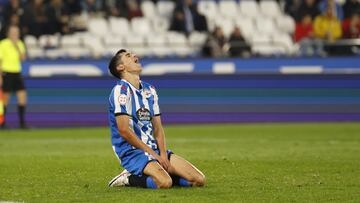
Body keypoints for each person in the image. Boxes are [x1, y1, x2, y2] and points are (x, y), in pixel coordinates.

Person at [107, 49, 205, 189]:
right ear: (120, 67)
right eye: (128, 56)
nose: (135, 56)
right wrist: (153, 155)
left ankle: (161, 171)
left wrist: (163, 155)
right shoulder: (120, 91)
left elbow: (158, 128)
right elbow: (124, 130)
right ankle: (128, 178)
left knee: (198, 180)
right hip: (131, 151)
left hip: (153, 149)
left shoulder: (150, 90)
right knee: (164, 183)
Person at [0, 24, 27, 129]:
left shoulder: (20, 44)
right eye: (13, 32)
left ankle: (22, 123)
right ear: (8, 33)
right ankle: (2, 123)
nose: (15, 34)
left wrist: (17, 47)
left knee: (22, 96)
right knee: (5, 99)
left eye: (16, 33)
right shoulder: (3, 44)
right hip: (6, 73)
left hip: (17, 72)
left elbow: (23, 58)